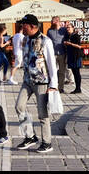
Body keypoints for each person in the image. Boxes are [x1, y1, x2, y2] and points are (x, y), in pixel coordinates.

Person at [14, 14, 57, 154]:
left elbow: (51, 64)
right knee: (19, 106)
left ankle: (47, 142)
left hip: (41, 82)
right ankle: (30, 136)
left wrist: (53, 84)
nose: (22, 27)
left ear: (32, 26)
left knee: (42, 113)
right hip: (27, 80)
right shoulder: (26, 39)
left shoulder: (46, 41)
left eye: (24, 25)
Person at [47, 18, 68, 92]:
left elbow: (68, 38)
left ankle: (61, 87)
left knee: (62, 71)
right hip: (53, 54)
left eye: (54, 20)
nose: (52, 22)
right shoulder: (49, 31)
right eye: (52, 21)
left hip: (62, 53)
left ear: (58, 21)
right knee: (52, 71)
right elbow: (47, 41)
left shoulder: (64, 30)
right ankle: (53, 86)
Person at [65, 22, 84, 94]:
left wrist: (70, 44)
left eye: (69, 27)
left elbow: (79, 46)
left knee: (77, 73)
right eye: (67, 27)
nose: (68, 29)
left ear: (73, 28)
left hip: (76, 56)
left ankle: (78, 88)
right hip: (71, 56)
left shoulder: (76, 36)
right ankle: (77, 88)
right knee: (74, 72)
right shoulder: (69, 36)